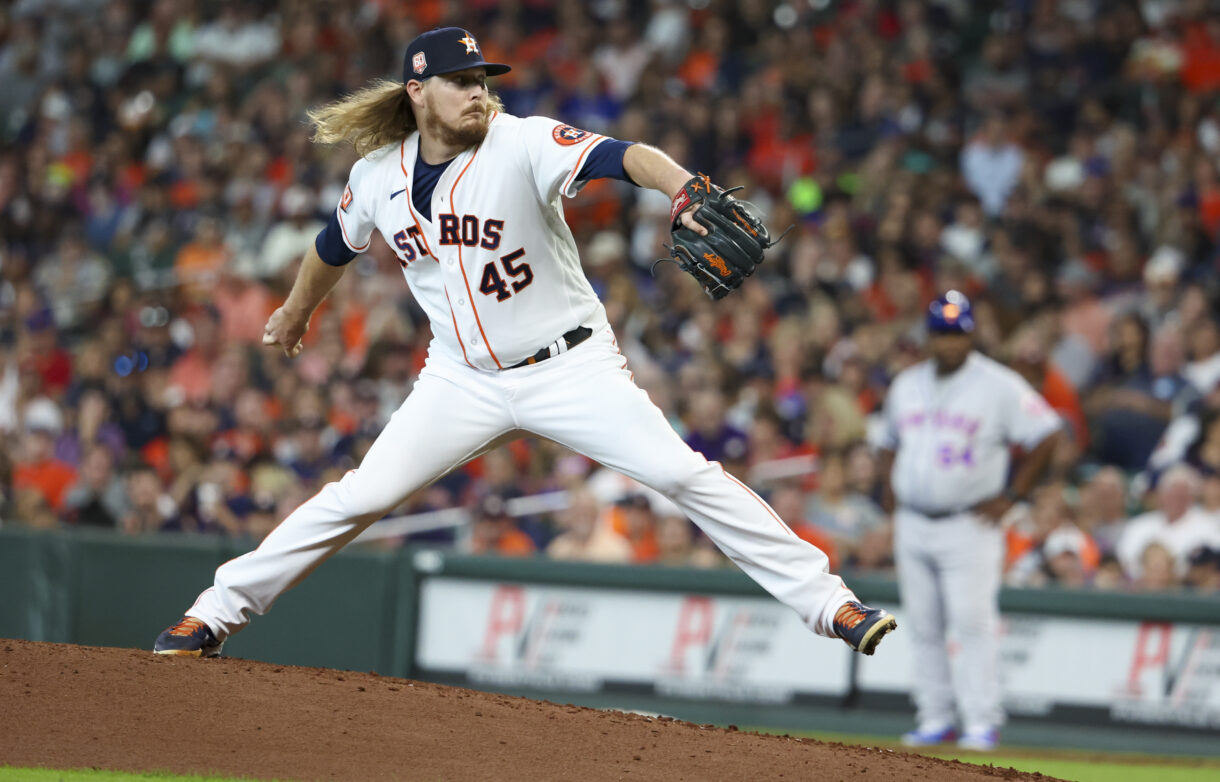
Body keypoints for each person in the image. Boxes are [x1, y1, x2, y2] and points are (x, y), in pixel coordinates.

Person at [153, 27, 895, 660]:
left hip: (570, 365)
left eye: (481, 79)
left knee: (683, 475)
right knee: (359, 497)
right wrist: (294, 311)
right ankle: (214, 613)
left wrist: (681, 189)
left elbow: (625, 155)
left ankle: (831, 605)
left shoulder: (522, 143)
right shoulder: (376, 175)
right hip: (460, 380)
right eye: (460, 81)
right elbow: (332, 245)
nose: (478, 92)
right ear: (418, 91)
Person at [879, 291, 1061, 752]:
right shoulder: (907, 383)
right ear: (930, 336)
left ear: (972, 335)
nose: (949, 344)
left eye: (957, 334)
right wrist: (888, 487)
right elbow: (885, 441)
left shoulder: (1000, 385)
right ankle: (935, 717)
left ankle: (981, 721)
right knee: (922, 624)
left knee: (972, 623)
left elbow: (1047, 434)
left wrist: (1014, 495)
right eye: (942, 334)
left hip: (970, 524)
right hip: (914, 521)